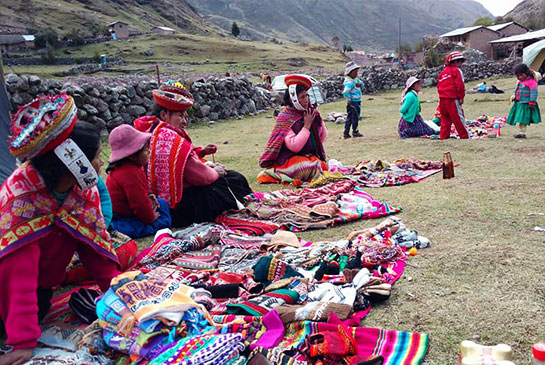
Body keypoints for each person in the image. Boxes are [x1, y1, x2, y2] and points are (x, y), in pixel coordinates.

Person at [0, 94, 120, 365]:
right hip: (3, 290)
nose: (100, 164)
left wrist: (122, 298)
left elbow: (96, 252)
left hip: (40, 288)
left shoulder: (80, 192)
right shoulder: (21, 198)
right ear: (73, 160)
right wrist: (22, 342)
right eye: (95, 157)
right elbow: (17, 275)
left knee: (40, 306)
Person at [134, 81, 251, 227]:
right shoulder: (171, 138)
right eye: (180, 116)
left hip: (161, 201)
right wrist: (215, 171)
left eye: (185, 116)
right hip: (181, 206)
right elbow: (199, 177)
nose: (184, 121)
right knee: (233, 180)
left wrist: (201, 153)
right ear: (164, 115)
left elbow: (179, 160)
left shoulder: (151, 129)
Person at [258, 74, 328, 185]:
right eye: (302, 97)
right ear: (293, 99)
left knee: (322, 165)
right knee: (307, 167)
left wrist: (317, 120)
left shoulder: (309, 112)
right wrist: (307, 126)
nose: (306, 100)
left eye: (306, 96)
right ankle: (277, 172)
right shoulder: (285, 117)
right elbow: (294, 146)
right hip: (288, 160)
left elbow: (321, 137)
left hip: (306, 156)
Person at [106, 124, 171, 238]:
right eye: (146, 150)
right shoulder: (130, 173)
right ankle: (153, 227)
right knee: (163, 218)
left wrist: (150, 195)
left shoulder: (126, 167)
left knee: (162, 203)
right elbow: (139, 204)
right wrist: (150, 218)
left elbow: (142, 191)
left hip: (123, 212)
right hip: (124, 216)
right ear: (132, 154)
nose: (149, 152)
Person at [437, 51, 469, 140]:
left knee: (445, 119)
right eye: (460, 61)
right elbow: (459, 85)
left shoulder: (442, 73)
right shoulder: (457, 71)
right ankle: (464, 135)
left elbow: (439, 86)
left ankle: (443, 136)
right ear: (455, 62)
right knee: (458, 118)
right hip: (452, 98)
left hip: (442, 99)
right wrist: (461, 97)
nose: (461, 64)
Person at [506, 63, 541, 139]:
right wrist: (514, 96)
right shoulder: (519, 82)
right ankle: (521, 132)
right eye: (517, 76)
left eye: (521, 75)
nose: (519, 77)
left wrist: (532, 102)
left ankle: (522, 133)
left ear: (526, 73)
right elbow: (517, 90)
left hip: (526, 104)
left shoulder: (532, 82)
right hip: (519, 103)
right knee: (520, 118)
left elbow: (534, 92)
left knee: (522, 119)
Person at [342, 61, 364, 139]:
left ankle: (348, 132)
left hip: (357, 101)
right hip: (353, 103)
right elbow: (345, 92)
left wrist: (360, 84)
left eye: (357, 71)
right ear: (350, 72)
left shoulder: (355, 79)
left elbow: (362, 84)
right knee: (353, 118)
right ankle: (353, 132)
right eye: (355, 72)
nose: (356, 73)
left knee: (353, 117)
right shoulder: (350, 82)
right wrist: (349, 100)